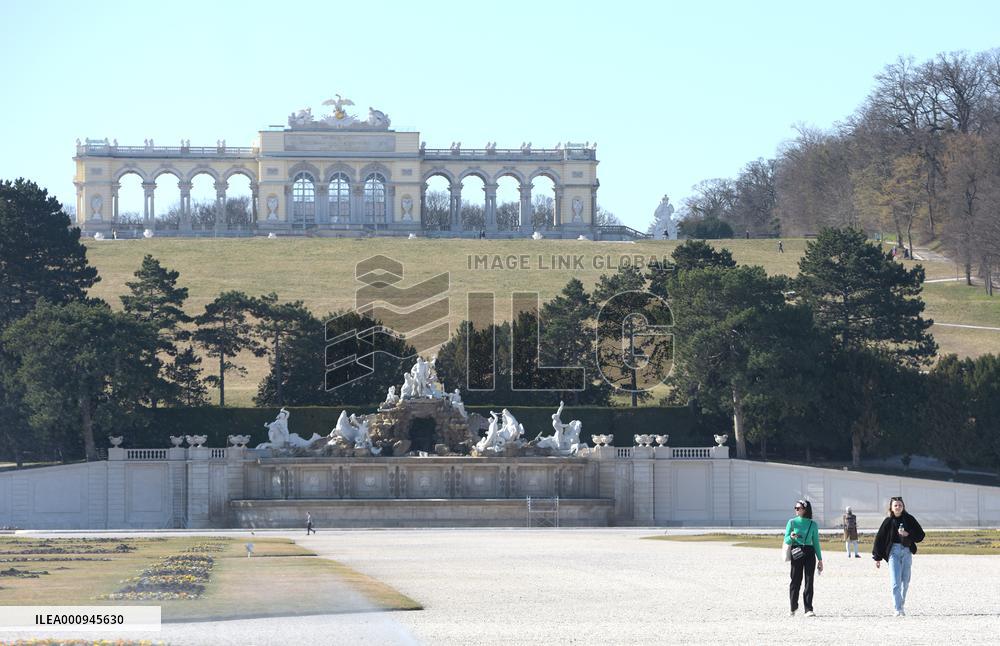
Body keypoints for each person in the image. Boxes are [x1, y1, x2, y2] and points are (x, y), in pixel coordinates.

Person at [872, 496, 925, 617]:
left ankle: (901, 603)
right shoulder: (888, 521)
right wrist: (877, 557)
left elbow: (921, 535)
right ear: (891, 507)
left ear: (903, 506)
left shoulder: (909, 519)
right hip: (893, 552)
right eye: (895, 505)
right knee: (895, 582)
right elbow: (879, 539)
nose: (897, 507)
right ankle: (897, 608)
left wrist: (908, 534)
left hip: (906, 551)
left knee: (905, 582)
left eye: (900, 505)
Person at [784, 499, 823, 617]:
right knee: (795, 580)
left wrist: (820, 560)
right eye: (795, 508)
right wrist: (791, 537)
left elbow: (816, 542)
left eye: (798, 508)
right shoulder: (791, 522)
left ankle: (808, 609)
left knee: (809, 581)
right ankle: (793, 606)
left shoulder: (813, 524)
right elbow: (786, 539)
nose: (796, 510)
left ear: (805, 510)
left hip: (809, 552)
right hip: (796, 551)